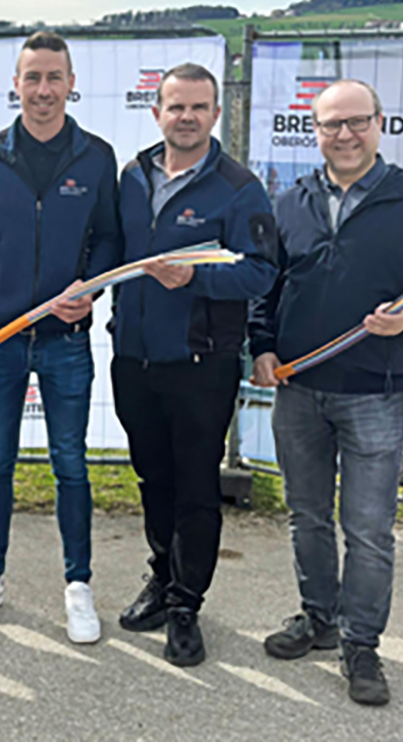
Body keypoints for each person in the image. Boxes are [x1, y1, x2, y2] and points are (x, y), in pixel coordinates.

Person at [250, 78, 403, 706]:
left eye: (356, 122)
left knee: (368, 529)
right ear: (314, 131)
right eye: (330, 124)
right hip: (299, 389)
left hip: (375, 389)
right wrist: (263, 347)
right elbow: (269, 287)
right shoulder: (290, 202)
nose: (344, 134)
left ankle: (361, 644)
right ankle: (318, 618)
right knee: (306, 515)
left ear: (379, 124)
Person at [0, 31, 120, 643]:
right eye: (32, 77)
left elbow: (111, 239)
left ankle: (78, 585)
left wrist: (89, 290)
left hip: (66, 339)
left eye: (54, 77)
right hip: (0, 337)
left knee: (70, 463)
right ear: (14, 85)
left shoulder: (96, 156)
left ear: (72, 84)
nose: (43, 90)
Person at [109, 63, 278, 666]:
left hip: (202, 364)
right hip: (133, 360)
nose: (186, 117)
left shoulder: (238, 187)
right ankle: (161, 577)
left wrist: (197, 277)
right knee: (153, 479)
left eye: (198, 107)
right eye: (175, 107)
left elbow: (261, 271)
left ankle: (187, 605)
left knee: (197, 489)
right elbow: (113, 254)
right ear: (157, 111)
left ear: (215, 113)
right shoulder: (131, 176)